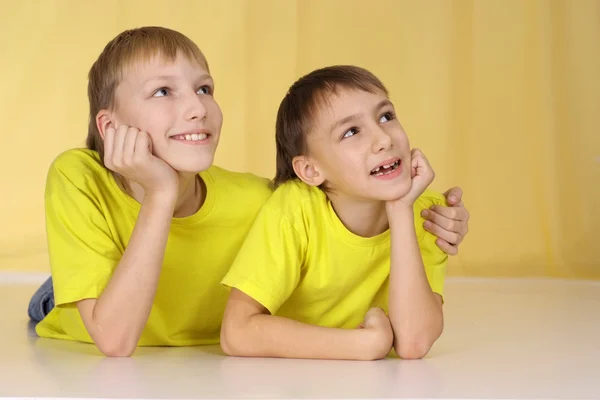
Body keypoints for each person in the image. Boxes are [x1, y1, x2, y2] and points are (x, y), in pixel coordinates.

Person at [28, 28, 469, 357]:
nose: (197, 107)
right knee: (70, 285)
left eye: (204, 88)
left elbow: (339, 202)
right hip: (95, 305)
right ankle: (60, 284)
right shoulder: (77, 176)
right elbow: (115, 340)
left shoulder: (264, 200)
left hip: (200, 332)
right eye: (164, 91)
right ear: (109, 126)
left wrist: (434, 218)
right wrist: (160, 194)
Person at [220, 65, 461, 360]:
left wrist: (400, 210)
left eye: (386, 116)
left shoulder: (427, 213)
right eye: (351, 131)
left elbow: (414, 342)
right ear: (310, 170)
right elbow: (236, 333)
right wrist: (363, 345)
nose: (384, 139)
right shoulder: (294, 210)